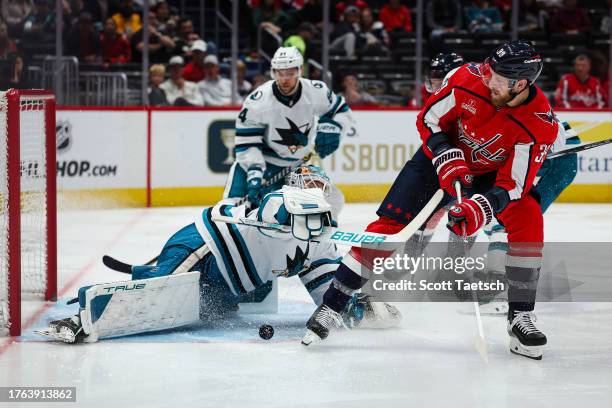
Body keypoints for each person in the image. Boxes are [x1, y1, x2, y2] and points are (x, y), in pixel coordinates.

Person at [303, 40, 558, 361]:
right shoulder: (468, 78)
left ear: (520, 83)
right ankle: (332, 305)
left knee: (529, 217)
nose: (487, 78)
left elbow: (514, 184)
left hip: (491, 174)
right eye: (489, 70)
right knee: (388, 227)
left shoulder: (539, 123)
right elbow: (428, 119)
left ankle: (520, 314)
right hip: (436, 160)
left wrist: (481, 208)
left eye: (496, 76)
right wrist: (444, 153)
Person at [35, 167, 401, 343]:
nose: (318, 191)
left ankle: (118, 296)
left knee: (196, 312)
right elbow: (283, 210)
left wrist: (353, 306)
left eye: (323, 187)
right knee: (159, 290)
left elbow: (325, 288)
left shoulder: (322, 242)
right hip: (204, 247)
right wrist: (309, 216)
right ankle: (83, 312)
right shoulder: (276, 203)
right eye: (311, 186)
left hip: (226, 285)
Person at [227, 46, 354, 219]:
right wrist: (255, 173)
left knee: (332, 200)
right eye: (280, 73)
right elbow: (247, 143)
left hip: (297, 166)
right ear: (273, 72)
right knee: (232, 211)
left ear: (300, 70)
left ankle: (316, 240)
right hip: (263, 164)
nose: (285, 79)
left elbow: (342, 111)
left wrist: (334, 128)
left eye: (291, 73)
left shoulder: (316, 91)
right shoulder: (258, 101)